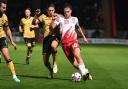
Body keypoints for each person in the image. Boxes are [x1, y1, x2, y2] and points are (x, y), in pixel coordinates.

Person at [51, 4, 92, 80]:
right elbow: (52, 27)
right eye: (65, 12)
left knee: (77, 55)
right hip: (64, 44)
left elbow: (78, 28)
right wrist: (54, 19)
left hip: (73, 41)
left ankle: (83, 73)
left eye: (68, 11)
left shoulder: (75, 19)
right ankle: (86, 72)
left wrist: (84, 37)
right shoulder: (60, 19)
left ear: (71, 11)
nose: (66, 13)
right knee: (74, 64)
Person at [37, 4, 60, 78]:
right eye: (49, 10)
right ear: (47, 11)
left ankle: (55, 63)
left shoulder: (57, 16)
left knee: (53, 46)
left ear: (54, 10)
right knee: (45, 62)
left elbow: (63, 18)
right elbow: (35, 21)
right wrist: (36, 15)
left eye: (52, 10)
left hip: (55, 37)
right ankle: (50, 70)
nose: (51, 12)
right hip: (46, 39)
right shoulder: (43, 16)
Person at [0, 0, 20, 82]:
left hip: (1, 38)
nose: (5, 9)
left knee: (7, 56)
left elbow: (7, 29)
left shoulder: (4, 17)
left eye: (5, 8)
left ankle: (14, 76)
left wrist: (12, 41)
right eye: (3, 7)